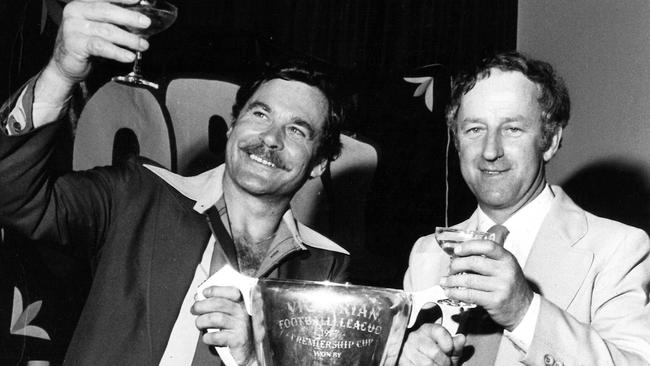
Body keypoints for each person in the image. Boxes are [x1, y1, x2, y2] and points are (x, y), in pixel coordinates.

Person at [0, 0, 349, 365]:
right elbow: (13, 195)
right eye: (260, 113)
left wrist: (253, 358)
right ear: (233, 126)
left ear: (318, 163)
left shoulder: (324, 270)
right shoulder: (139, 193)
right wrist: (61, 72)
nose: (271, 137)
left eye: (296, 130)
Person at [400, 51, 650, 366]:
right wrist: (405, 356)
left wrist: (524, 312)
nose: (490, 151)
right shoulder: (427, 253)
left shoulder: (617, 249)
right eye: (475, 129)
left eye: (512, 129)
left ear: (551, 141)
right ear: (457, 141)